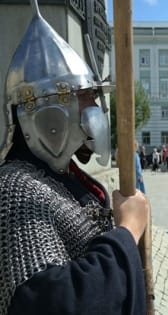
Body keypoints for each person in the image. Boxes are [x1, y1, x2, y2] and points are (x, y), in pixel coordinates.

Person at [0, 4, 148, 314]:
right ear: (46, 111)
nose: (95, 107)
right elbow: (53, 304)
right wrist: (127, 231)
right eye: (85, 97)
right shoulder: (15, 190)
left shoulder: (63, 176)